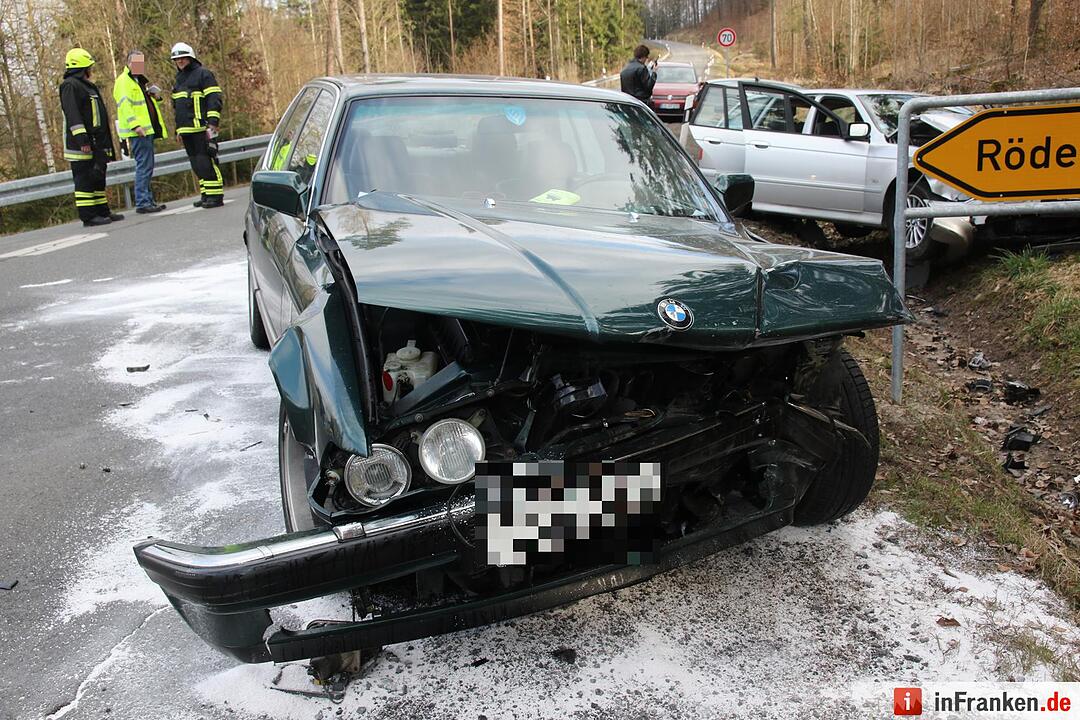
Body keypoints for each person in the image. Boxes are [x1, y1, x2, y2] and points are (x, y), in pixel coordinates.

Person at [59, 48, 123, 227]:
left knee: (97, 176)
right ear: (82, 67)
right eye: (89, 66)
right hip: (82, 144)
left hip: (96, 142)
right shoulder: (70, 85)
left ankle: (102, 211)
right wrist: (82, 140)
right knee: (84, 178)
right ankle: (88, 216)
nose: (91, 70)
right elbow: (73, 115)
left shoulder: (88, 86)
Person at [170, 42, 224, 208]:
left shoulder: (203, 74)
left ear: (190, 57)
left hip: (202, 128)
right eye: (177, 59)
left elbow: (214, 98)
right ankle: (206, 194)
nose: (180, 61)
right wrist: (178, 129)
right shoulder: (178, 80)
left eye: (183, 58)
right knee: (196, 164)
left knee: (206, 161)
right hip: (186, 130)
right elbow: (176, 107)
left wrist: (213, 122)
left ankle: (215, 196)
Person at [114, 49, 168, 213]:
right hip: (138, 132)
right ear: (129, 64)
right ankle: (143, 202)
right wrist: (135, 126)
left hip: (146, 130)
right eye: (137, 63)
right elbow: (125, 106)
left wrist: (155, 98)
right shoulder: (124, 81)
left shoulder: (138, 81)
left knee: (147, 166)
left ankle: (147, 200)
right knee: (144, 166)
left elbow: (144, 107)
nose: (140, 66)